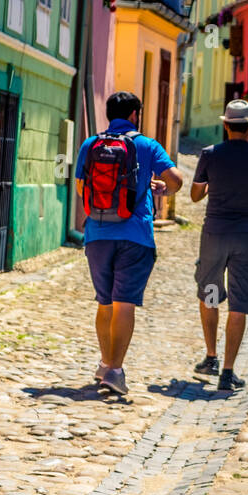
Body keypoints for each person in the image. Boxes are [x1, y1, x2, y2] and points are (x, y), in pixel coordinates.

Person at [74, 91, 184, 396]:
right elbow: (176, 179)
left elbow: (81, 185)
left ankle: (105, 362)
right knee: (124, 303)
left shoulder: (91, 143)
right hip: (135, 234)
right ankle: (115, 371)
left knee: (104, 301)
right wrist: (161, 188)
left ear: (110, 114)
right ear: (135, 114)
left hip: (97, 234)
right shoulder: (146, 145)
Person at [190, 100, 248, 392]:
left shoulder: (209, 154)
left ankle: (211, 357)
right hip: (246, 236)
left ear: (225, 125)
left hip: (215, 234)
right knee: (240, 302)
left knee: (211, 293)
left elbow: (195, 194)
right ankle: (228, 372)